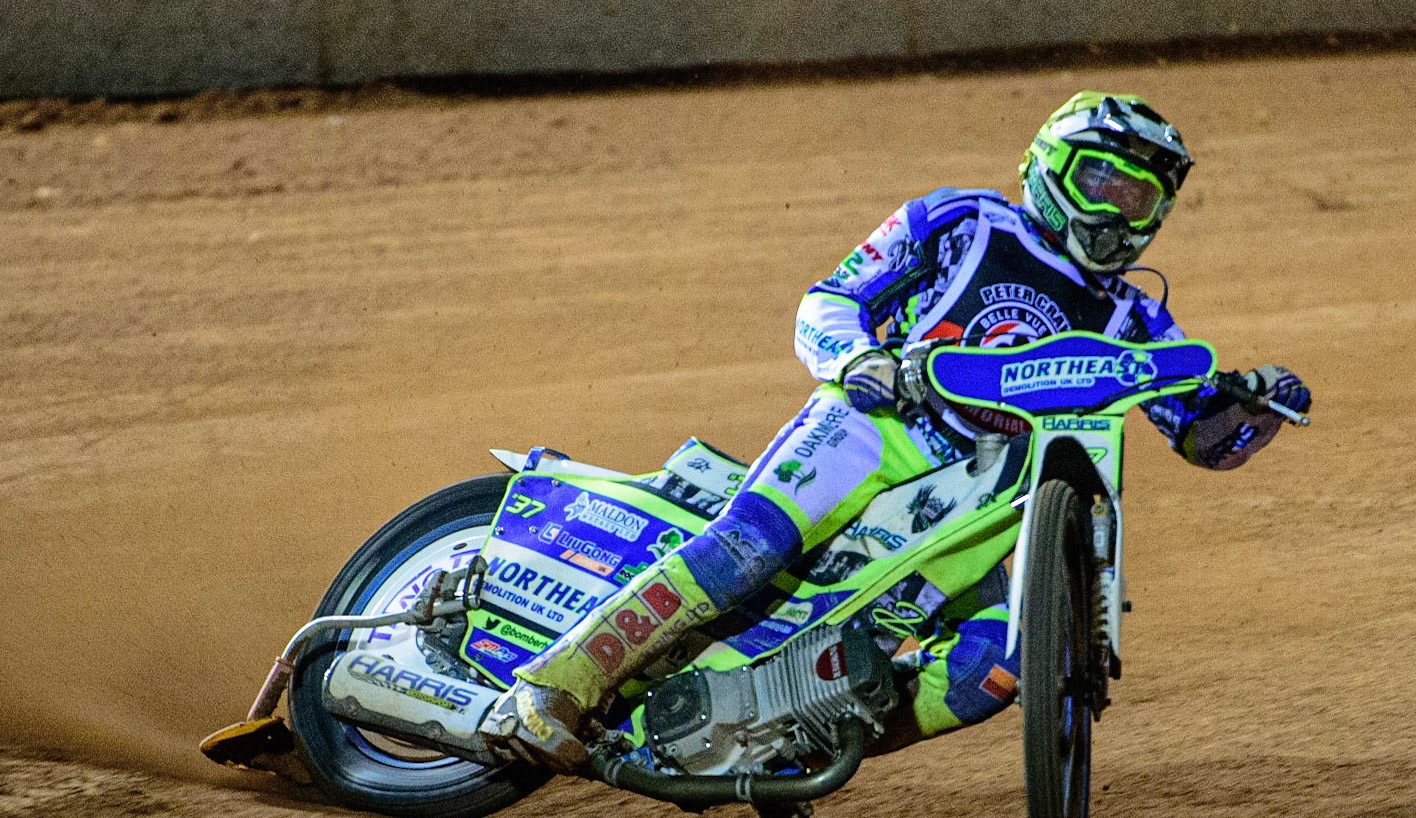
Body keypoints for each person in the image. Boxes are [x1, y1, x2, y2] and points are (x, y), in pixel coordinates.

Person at [480, 91, 1311, 772]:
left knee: (996, 667)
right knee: (747, 549)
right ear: (1049, 168)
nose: (1115, 211)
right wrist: (856, 359)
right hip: (879, 427)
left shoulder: (1136, 318)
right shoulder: (964, 222)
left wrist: (1257, 412)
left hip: (988, 499)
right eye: (1100, 181)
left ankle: (789, 742)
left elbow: (1201, 436)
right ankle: (551, 687)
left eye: (1139, 197)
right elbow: (829, 300)